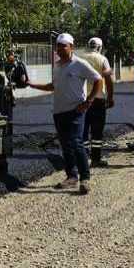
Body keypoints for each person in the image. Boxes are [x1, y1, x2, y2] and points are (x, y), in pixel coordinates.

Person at [29, 33, 103, 195]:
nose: (60, 48)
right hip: (59, 112)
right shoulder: (57, 66)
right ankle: (71, 176)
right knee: (65, 145)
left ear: (71, 47)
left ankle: (85, 179)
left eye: (64, 45)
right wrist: (32, 85)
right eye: (58, 46)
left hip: (76, 111)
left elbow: (98, 79)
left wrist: (89, 101)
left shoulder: (80, 64)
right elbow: (53, 86)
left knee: (76, 143)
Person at [80, 37, 115, 167]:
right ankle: (96, 159)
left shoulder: (80, 58)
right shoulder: (102, 59)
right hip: (98, 99)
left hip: (82, 99)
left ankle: (83, 159)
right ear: (100, 47)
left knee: (83, 130)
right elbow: (109, 80)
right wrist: (110, 97)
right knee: (97, 130)